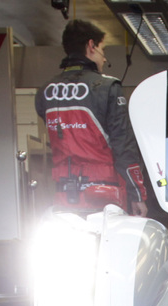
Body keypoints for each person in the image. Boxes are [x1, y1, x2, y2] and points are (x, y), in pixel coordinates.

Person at [36, 19, 147, 215]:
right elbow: (124, 146)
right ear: (91, 46)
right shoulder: (107, 88)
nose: (104, 59)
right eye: (103, 51)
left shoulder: (45, 91)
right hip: (105, 197)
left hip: (64, 199)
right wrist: (138, 194)